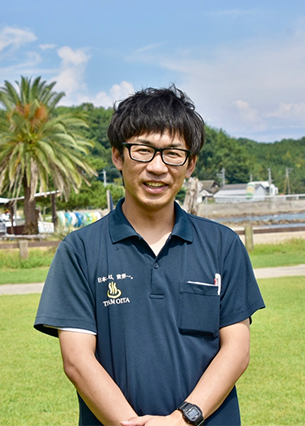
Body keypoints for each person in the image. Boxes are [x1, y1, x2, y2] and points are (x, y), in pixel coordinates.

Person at [34, 86, 265, 426]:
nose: (157, 168)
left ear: (190, 164)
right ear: (117, 156)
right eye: (143, 151)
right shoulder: (81, 250)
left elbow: (237, 349)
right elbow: (77, 360)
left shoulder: (222, 245)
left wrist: (184, 419)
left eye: (173, 154)